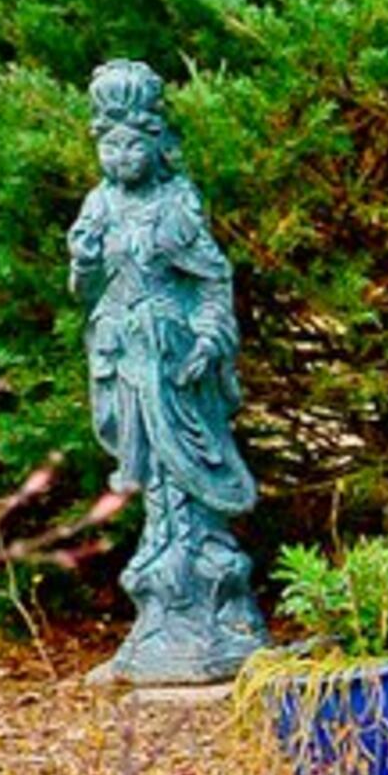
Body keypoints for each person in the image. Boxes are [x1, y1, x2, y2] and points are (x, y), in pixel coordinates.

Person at [68, 57, 261, 681]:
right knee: (149, 473)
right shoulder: (99, 204)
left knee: (187, 470)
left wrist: (208, 337)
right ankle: (160, 599)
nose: (120, 157)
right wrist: (84, 261)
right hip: (124, 355)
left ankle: (207, 598)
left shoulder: (176, 202)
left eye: (132, 144)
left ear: (156, 144)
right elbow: (88, 285)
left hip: (175, 362)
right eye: (110, 144)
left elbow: (211, 279)